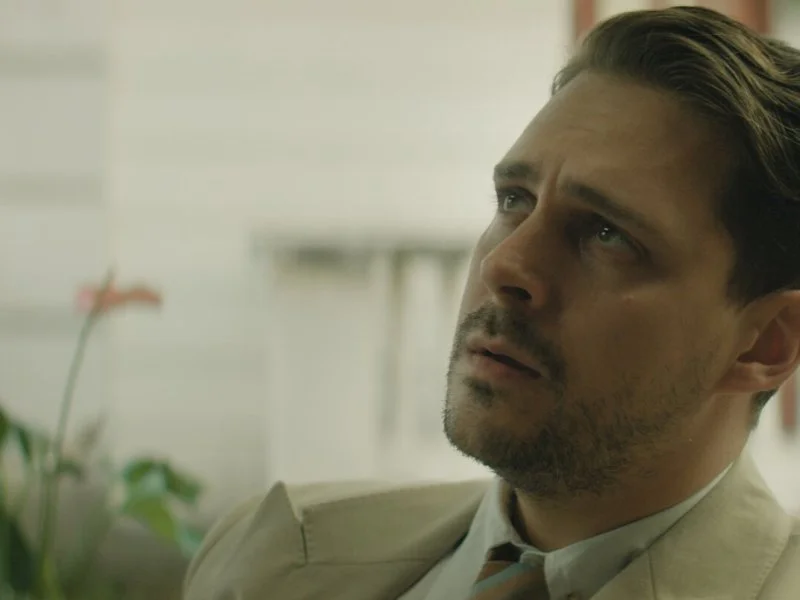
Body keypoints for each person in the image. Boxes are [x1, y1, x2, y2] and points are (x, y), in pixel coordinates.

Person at [183, 6, 800, 599]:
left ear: (767, 342)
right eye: (513, 200)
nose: (504, 265)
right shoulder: (271, 563)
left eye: (608, 234)